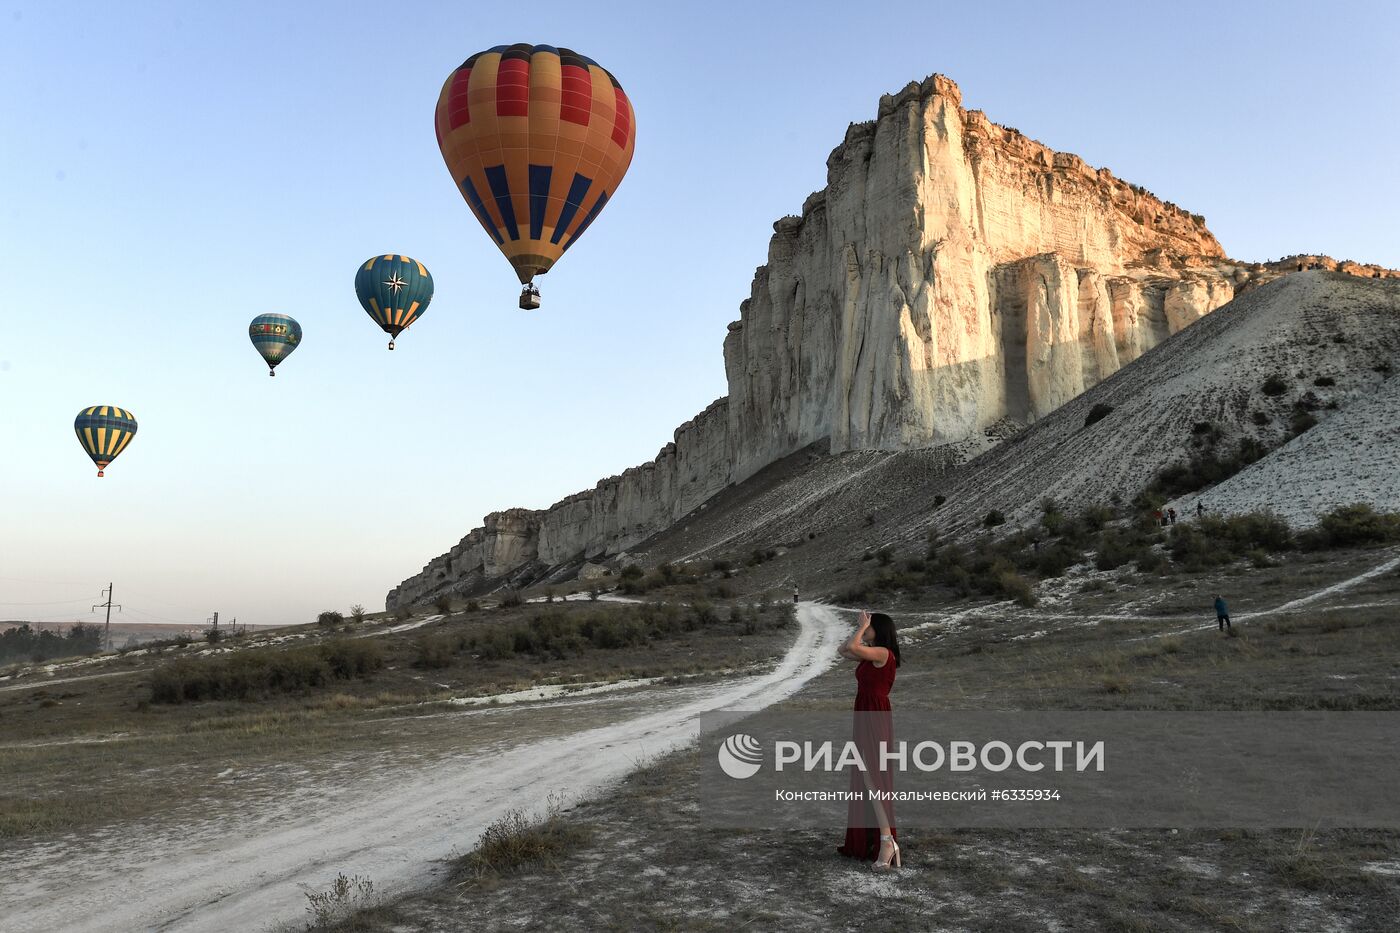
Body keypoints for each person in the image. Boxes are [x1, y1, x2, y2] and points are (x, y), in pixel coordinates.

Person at [836, 611, 902, 870]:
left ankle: (887, 840)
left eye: (872, 625)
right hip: (864, 712)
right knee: (866, 775)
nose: (867, 627)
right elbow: (844, 649)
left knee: (872, 776)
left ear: (880, 629)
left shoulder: (884, 654)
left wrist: (861, 628)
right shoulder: (871, 652)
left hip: (875, 715)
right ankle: (883, 839)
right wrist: (861, 629)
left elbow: (852, 646)